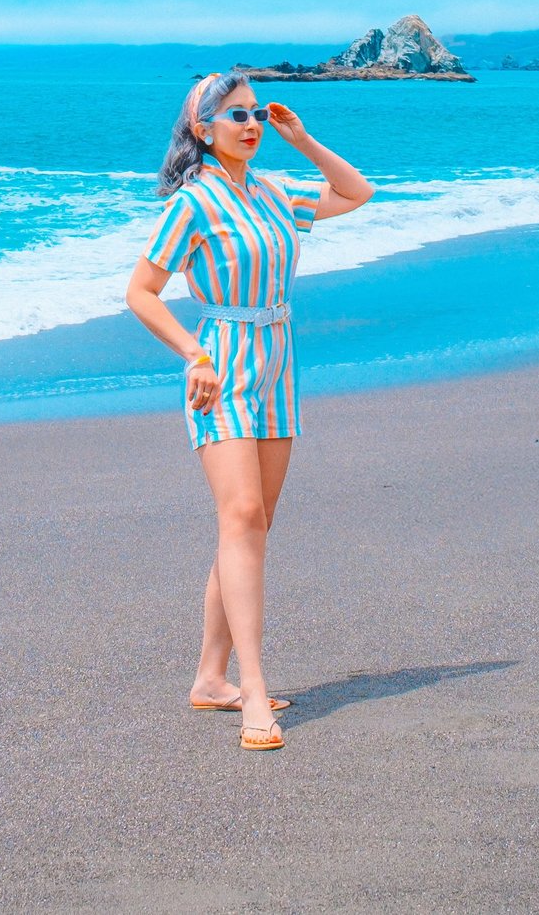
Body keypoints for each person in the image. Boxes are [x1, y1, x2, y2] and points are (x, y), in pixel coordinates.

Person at [124, 69, 374, 751]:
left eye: (255, 112)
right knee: (238, 517)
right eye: (234, 116)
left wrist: (303, 138)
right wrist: (191, 356)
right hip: (220, 364)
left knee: (253, 526)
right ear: (203, 131)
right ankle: (254, 690)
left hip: (279, 363)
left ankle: (210, 679)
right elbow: (141, 292)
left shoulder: (273, 192)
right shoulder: (192, 204)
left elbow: (356, 192)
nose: (251, 123)